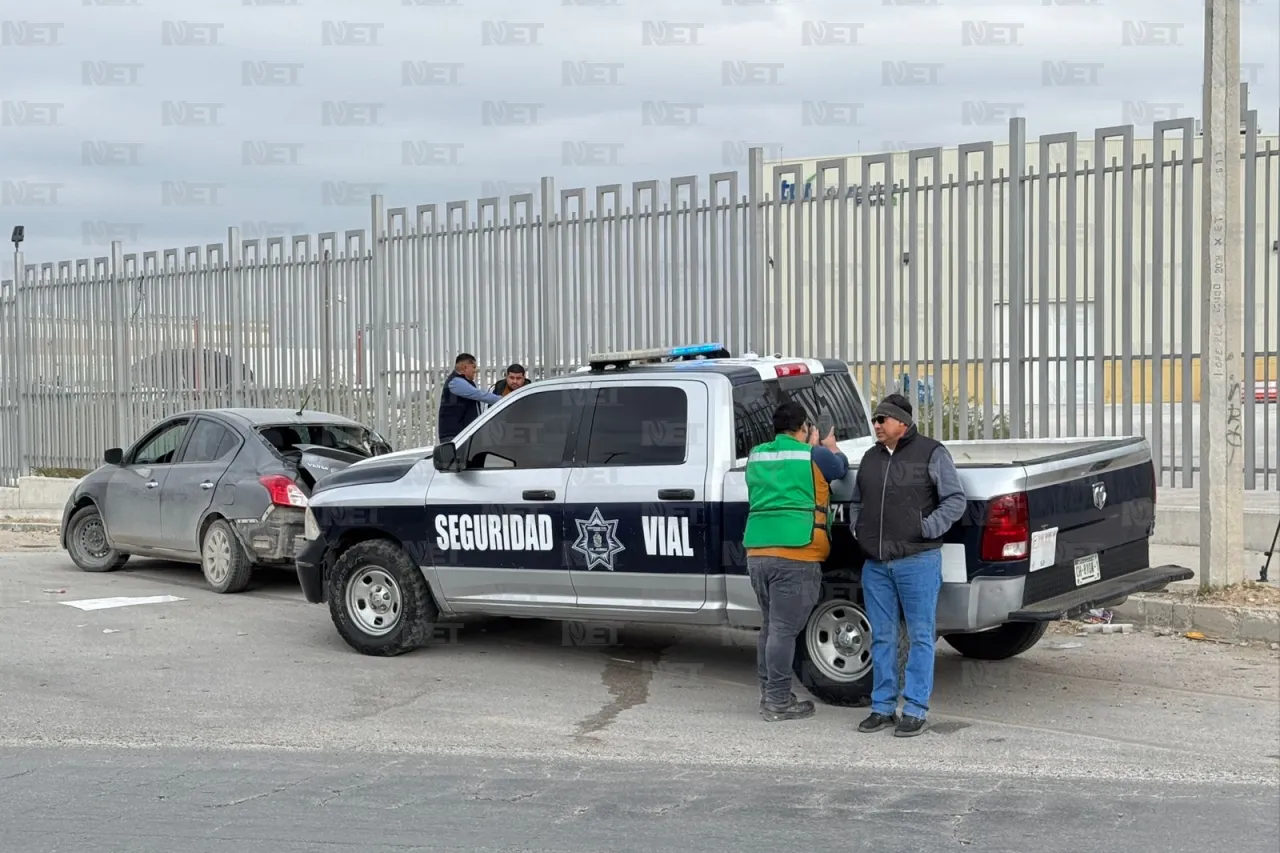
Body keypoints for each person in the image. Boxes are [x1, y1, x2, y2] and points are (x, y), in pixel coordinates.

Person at [848, 393, 966, 738]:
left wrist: (926, 528)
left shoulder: (931, 452)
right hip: (876, 565)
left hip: (918, 561)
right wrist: (860, 531)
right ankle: (882, 707)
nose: (877, 425)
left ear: (902, 422)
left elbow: (955, 499)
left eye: (882, 419)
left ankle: (915, 708)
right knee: (882, 637)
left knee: (920, 637)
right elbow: (857, 502)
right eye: (875, 420)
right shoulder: (869, 458)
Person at [742, 400, 849, 722]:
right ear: (804, 428)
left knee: (771, 627)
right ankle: (776, 702)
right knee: (784, 631)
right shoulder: (813, 454)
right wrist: (829, 446)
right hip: (796, 551)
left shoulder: (757, 454)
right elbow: (839, 469)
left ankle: (770, 695)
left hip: (758, 551)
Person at [437, 352, 502, 443]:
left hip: (461, 434)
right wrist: (504, 400)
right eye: (474, 367)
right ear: (464, 367)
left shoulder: (462, 382)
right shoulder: (455, 382)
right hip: (455, 436)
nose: (475, 370)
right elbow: (479, 395)